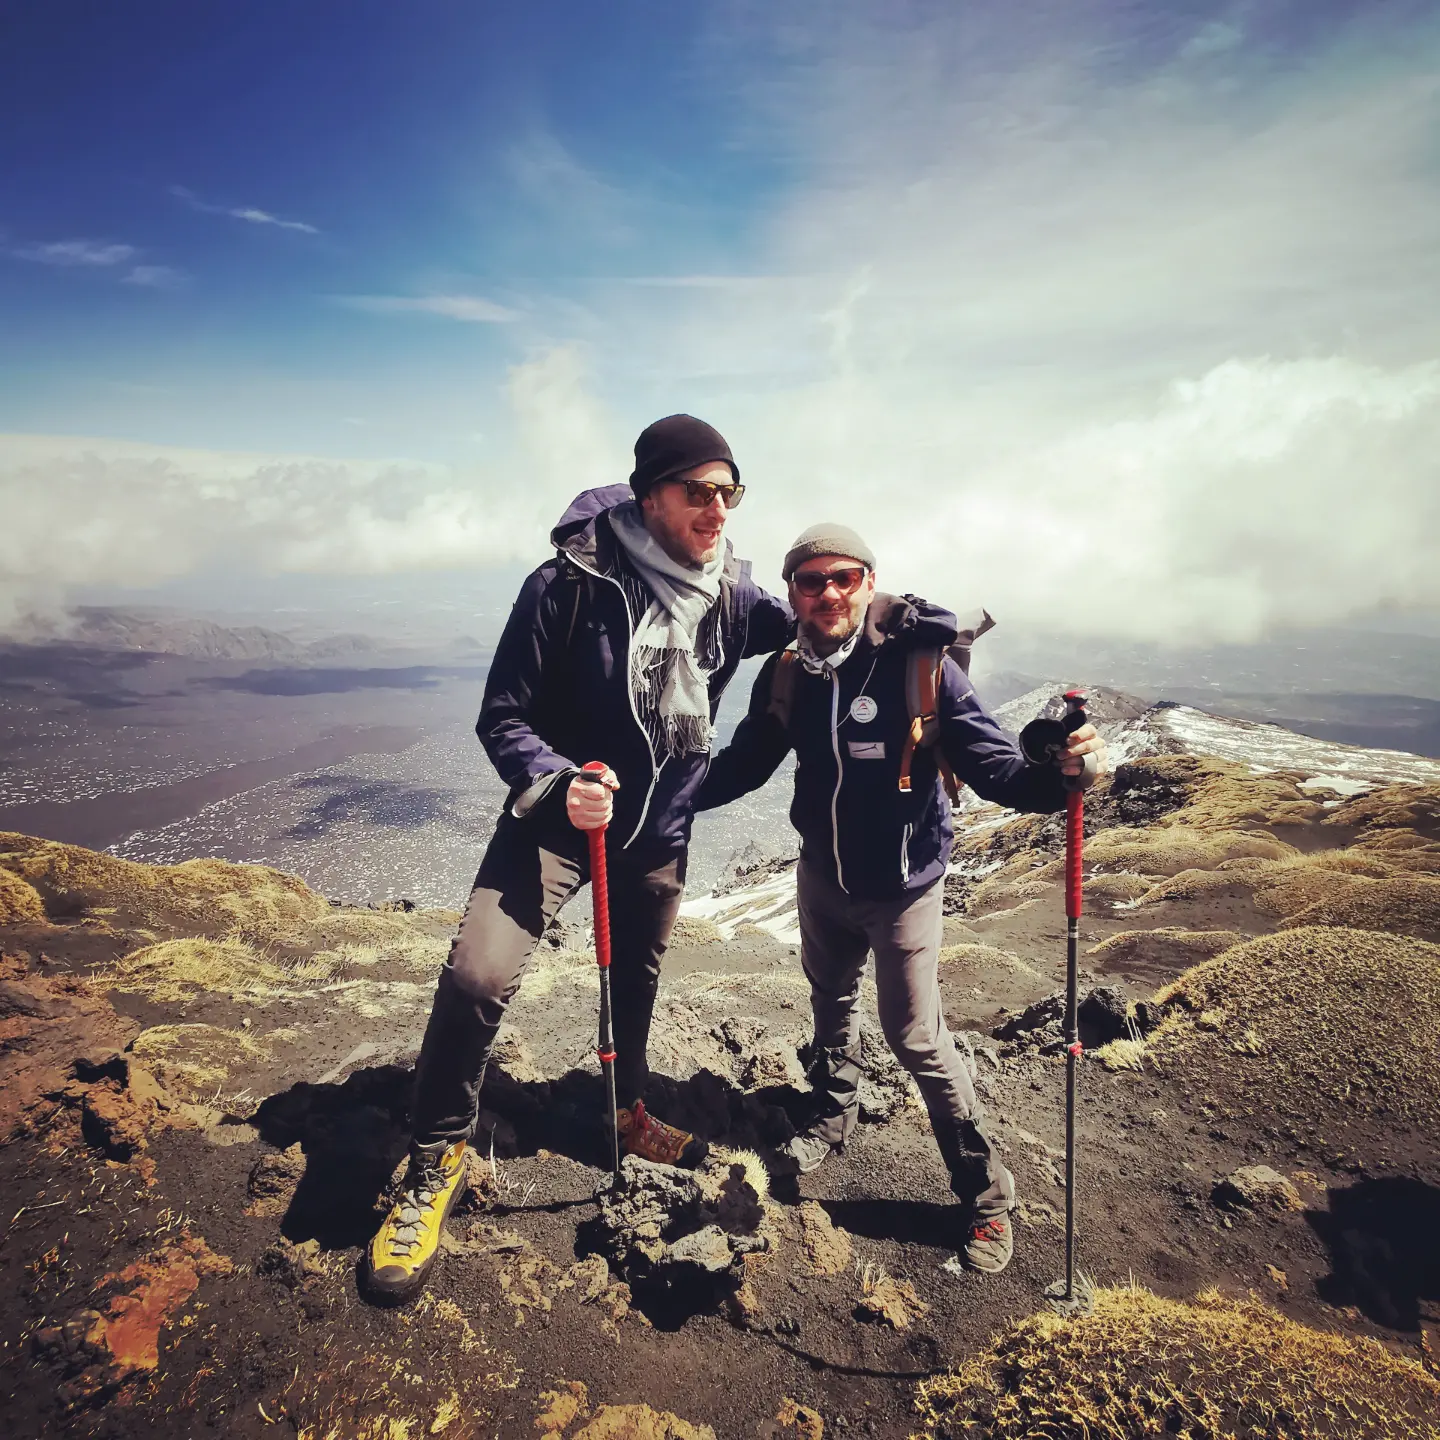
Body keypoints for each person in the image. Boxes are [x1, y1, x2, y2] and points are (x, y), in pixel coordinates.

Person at [364, 416, 791, 1304]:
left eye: (729, 492)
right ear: (650, 497)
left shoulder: (734, 597)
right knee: (480, 976)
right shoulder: (568, 585)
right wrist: (557, 785)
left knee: (633, 976)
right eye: (696, 491)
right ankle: (435, 1155)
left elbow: (821, 626)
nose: (716, 508)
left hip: (655, 833)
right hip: (558, 824)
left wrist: (896, 622)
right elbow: (503, 713)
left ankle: (627, 1110)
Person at [694, 524, 1106, 1275]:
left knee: (917, 1038)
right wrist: (668, 794)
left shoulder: (922, 668)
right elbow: (747, 764)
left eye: (844, 578)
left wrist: (1061, 780)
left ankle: (985, 1196)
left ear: (869, 581)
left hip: (905, 889)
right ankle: (832, 1110)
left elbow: (997, 769)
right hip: (822, 878)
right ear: (791, 593)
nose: (828, 594)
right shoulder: (788, 671)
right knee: (829, 1000)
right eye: (811, 582)